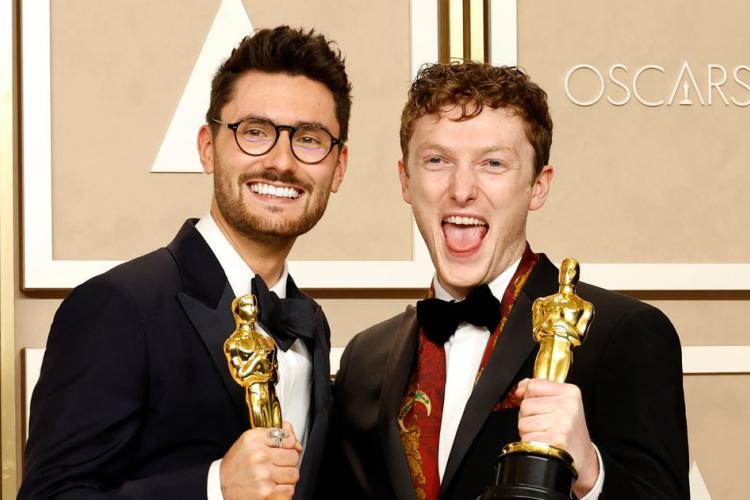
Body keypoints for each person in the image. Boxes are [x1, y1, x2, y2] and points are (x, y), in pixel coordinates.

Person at [19, 25, 351, 500]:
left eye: (310, 139)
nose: (281, 161)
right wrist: (213, 486)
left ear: (338, 168)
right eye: (254, 132)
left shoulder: (309, 323)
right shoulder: (117, 306)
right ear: (207, 147)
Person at [331, 62, 689, 499]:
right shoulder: (365, 358)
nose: (462, 189)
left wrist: (591, 473)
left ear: (538, 187)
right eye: (437, 160)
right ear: (406, 180)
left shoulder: (623, 333)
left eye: (493, 163)